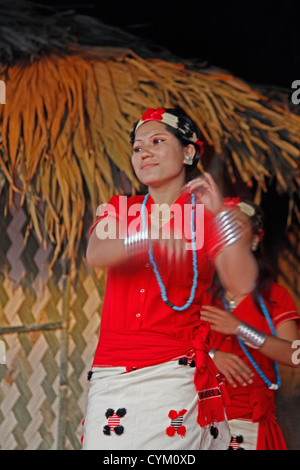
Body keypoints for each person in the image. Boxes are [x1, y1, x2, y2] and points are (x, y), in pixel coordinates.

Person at [82, 107, 259, 450]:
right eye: (137, 147)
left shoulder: (207, 216)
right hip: (111, 372)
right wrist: (150, 233)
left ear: (188, 152)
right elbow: (97, 254)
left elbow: (242, 280)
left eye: (158, 141)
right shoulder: (119, 209)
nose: (144, 152)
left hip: (174, 371)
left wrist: (220, 217)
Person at [201, 200, 300, 450]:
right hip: (200, 421)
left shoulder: (275, 296)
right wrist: (211, 355)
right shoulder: (198, 295)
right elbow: (172, 349)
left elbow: (294, 355)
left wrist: (241, 329)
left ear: (256, 240)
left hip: (249, 423)